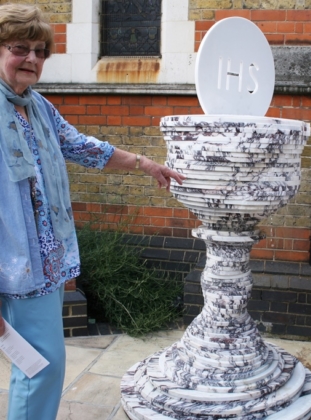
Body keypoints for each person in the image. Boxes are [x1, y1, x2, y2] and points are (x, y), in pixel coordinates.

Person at [0, 4, 185, 420]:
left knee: (36, 366)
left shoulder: (38, 107)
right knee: (40, 369)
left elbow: (85, 147)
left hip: (45, 265)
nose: (31, 58)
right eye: (19, 48)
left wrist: (145, 164)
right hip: (12, 268)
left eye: (40, 51)